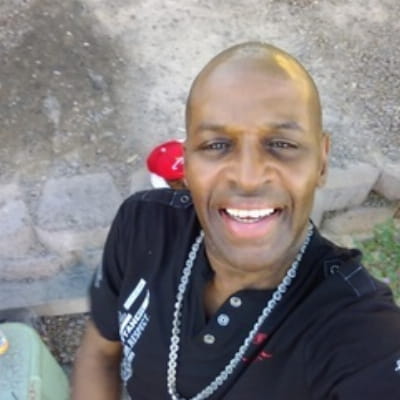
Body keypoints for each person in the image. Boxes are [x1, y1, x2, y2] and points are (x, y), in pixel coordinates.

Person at [72, 42, 400, 399]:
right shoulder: (143, 225)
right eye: (216, 145)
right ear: (187, 163)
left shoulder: (358, 332)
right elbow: (100, 354)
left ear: (321, 161)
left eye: (282, 144)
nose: (248, 178)